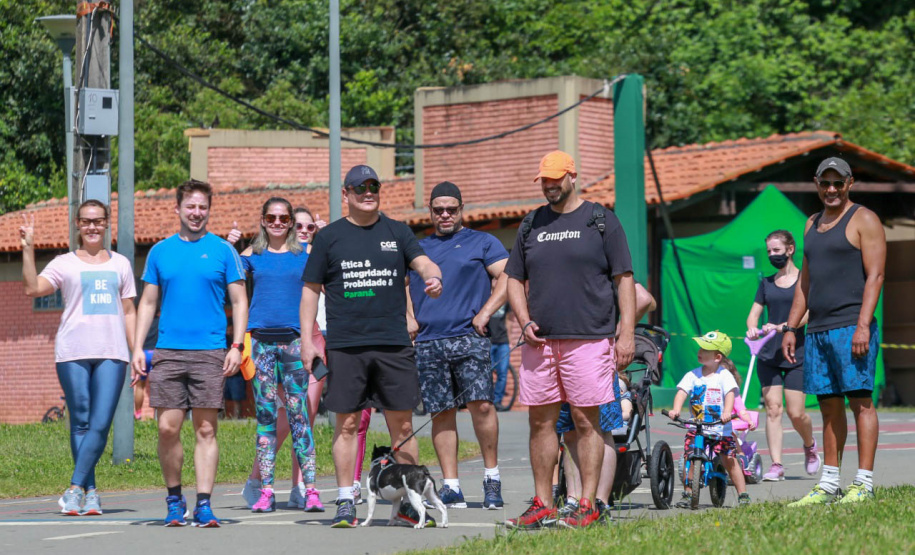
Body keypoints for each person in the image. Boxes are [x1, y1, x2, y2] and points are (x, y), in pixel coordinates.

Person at [300, 164, 443, 528]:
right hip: (347, 346)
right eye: (359, 186)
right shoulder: (329, 237)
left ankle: (411, 506)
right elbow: (310, 290)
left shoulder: (397, 232)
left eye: (374, 185)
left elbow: (422, 261)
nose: (368, 191)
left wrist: (432, 275)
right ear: (345, 193)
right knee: (346, 425)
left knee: (403, 424)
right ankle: (347, 499)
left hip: (393, 345)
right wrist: (307, 340)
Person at [505, 150, 636, 529]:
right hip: (540, 343)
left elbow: (624, 278)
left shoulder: (600, 221)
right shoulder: (531, 224)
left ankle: (588, 504)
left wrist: (625, 334)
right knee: (540, 422)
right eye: (543, 180)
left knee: (586, 420)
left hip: (589, 338)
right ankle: (543, 503)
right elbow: (513, 278)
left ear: (572, 177)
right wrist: (523, 320)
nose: (549, 185)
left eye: (555, 179)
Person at [132, 179, 248, 528]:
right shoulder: (160, 252)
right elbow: (148, 302)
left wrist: (237, 346)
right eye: (190, 207)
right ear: (178, 209)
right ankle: (173, 499)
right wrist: (138, 347)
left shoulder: (223, 251)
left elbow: (240, 300)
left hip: (211, 351)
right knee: (167, 428)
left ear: (208, 211)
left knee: (206, 429)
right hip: (168, 351)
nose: (196, 213)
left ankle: (204, 504)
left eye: (202, 207)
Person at [20, 201, 137, 516]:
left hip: (113, 352)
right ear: (77, 224)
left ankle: (73, 488)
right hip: (72, 352)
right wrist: (28, 248)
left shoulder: (122, 264)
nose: (92, 227)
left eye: (98, 221)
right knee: (81, 420)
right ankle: (91, 493)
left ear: (107, 223)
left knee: (100, 422)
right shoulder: (64, 263)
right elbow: (32, 288)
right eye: (86, 222)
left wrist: (135, 349)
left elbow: (129, 311)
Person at [784, 157, 886, 505]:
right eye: (824, 183)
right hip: (818, 330)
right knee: (828, 406)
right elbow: (804, 283)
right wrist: (790, 327)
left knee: (861, 403)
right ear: (816, 183)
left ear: (849, 183)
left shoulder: (865, 219)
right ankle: (829, 482)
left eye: (837, 183)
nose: (831, 189)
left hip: (851, 328)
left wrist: (862, 326)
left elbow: (876, 276)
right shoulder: (811, 224)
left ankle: (864, 482)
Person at [407, 181, 509, 511]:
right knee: (441, 412)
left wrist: (485, 312)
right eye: (439, 210)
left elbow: (509, 276)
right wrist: (409, 317)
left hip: (470, 337)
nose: (445, 214)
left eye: (452, 209)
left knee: (482, 406)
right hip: (429, 341)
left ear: (462, 209)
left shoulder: (483, 241)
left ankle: (491, 478)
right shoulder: (418, 249)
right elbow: (401, 285)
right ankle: (451, 486)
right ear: (431, 212)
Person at [232, 197, 326, 514]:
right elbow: (225, 273)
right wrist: (229, 245)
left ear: (289, 222)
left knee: (300, 417)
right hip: (260, 344)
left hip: (294, 344)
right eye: (271, 218)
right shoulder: (253, 256)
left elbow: (333, 280)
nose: (277, 223)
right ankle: (267, 491)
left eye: (283, 218)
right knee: (266, 420)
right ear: (262, 220)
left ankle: (310, 490)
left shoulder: (306, 256)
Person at [556, 282, 656, 522]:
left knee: (600, 430)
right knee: (569, 431)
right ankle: (574, 499)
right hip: (562, 355)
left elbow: (643, 298)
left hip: (594, 355)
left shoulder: (597, 259)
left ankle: (599, 502)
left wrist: (620, 334)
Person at [745, 230, 820, 481]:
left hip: (797, 354)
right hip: (768, 355)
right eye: (769, 251)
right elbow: (753, 314)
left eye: (776, 250)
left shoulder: (804, 280)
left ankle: (809, 445)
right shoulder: (766, 283)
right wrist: (753, 328)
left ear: (790, 250)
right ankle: (776, 464)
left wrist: (787, 326)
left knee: (796, 412)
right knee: (773, 409)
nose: (772, 255)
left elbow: (809, 313)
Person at [668, 331, 752, 508]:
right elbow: (682, 392)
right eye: (700, 347)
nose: (700, 351)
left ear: (717, 357)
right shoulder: (693, 375)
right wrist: (676, 409)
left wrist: (727, 412)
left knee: (729, 459)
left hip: (720, 429)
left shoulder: (724, 376)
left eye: (705, 349)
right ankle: (687, 494)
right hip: (697, 427)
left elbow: (730, 394)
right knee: (690, 458)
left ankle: (743, 494)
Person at [489, 299, 512, 412]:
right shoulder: (485, 295)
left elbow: (509, 319)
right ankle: (487, 400)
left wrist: (510, 339)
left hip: (503, 341)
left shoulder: (504, 299)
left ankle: (497, 401)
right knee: (487, 371)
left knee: (503, 373)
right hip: (488, 340)